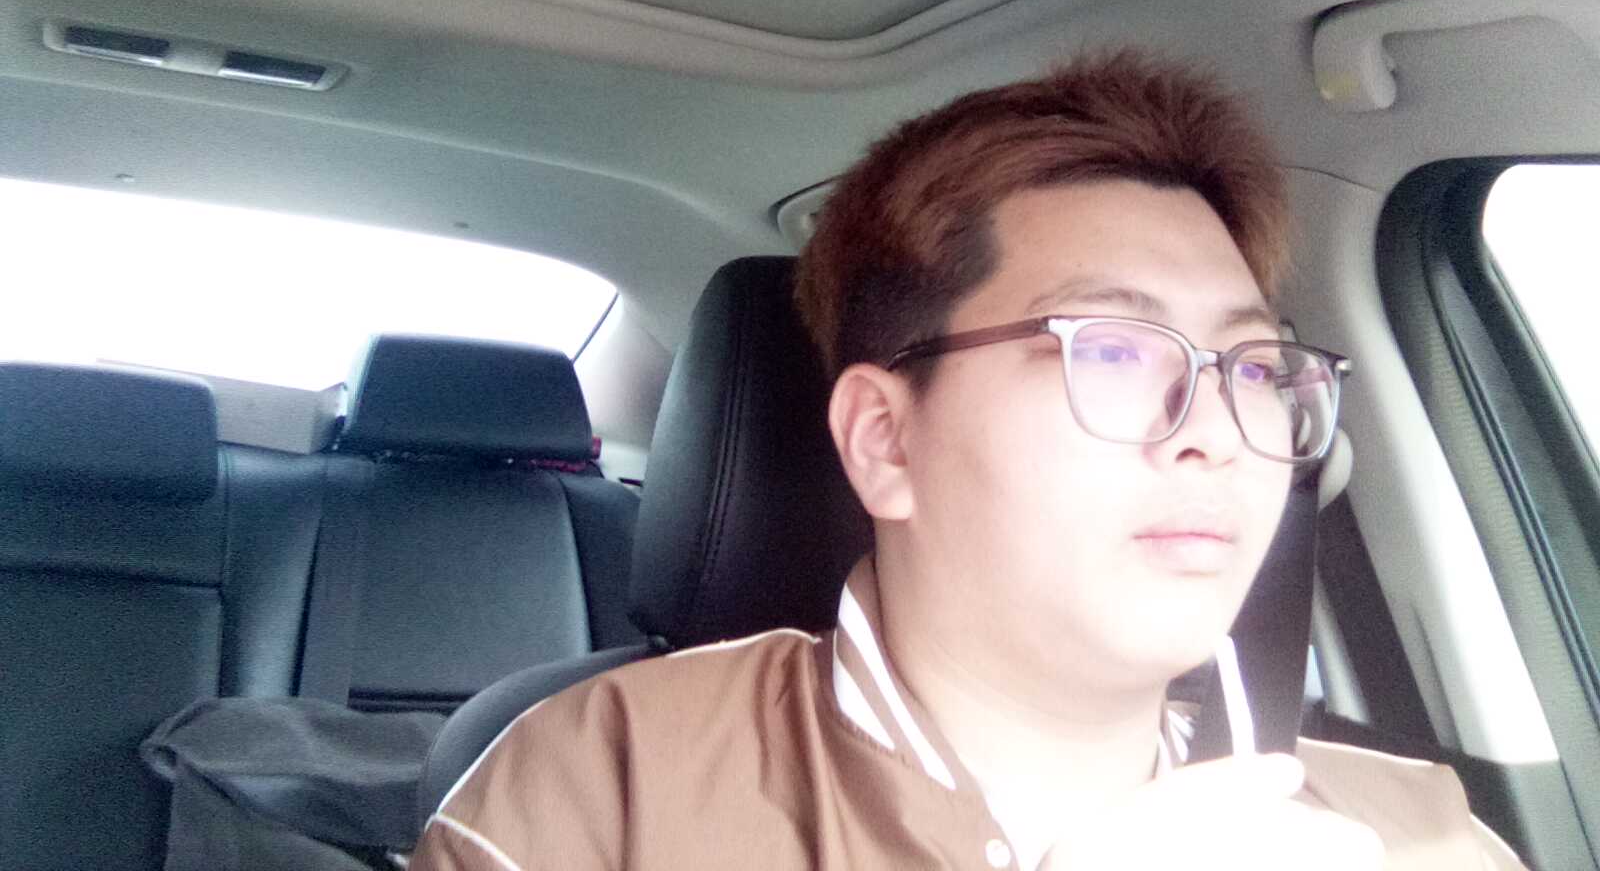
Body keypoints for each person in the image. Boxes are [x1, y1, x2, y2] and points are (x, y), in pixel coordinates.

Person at [410, 51, 1527, 870]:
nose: (1216, 429)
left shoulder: (1417, 834)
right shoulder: (602, 797)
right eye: (1114, 349)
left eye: (1254, 368)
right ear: (885, 440)